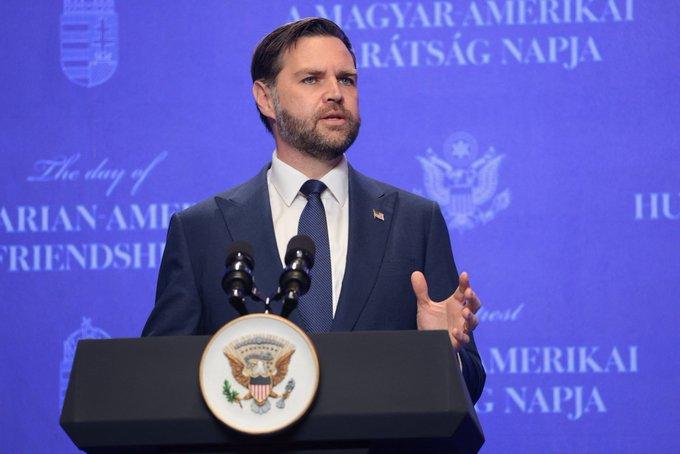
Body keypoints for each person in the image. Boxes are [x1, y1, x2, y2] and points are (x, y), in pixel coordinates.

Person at [142, 17, 485, 403]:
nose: (335, 93)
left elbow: (470, 385)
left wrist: (442, 352)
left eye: (347, 80)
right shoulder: (201, 230)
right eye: (311, 79)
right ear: (265, 98)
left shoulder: (415, 221)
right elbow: (160, 379)